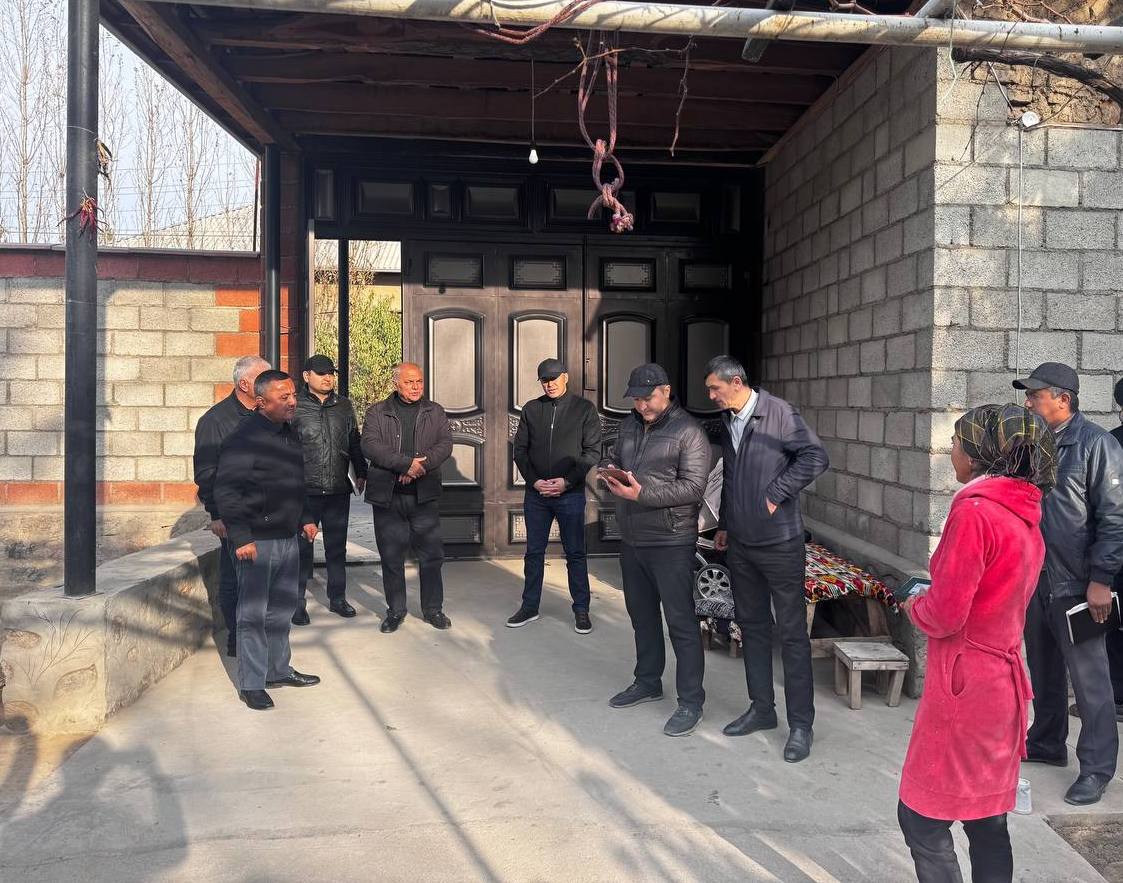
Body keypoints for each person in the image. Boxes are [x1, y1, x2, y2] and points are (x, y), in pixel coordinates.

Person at [898, 404, 1056, 883]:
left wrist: (914, 603)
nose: (951, 449)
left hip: (964, 687)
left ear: (977, 454)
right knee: (987, 819)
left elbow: (946, 614)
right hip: (1001, 686)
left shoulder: (975, 511)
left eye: (956, 441)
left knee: (921, 818)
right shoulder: (1026, 513)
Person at [705, 355, 829, 764]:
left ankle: (801, 725)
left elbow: (815, 457)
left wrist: (777, 493)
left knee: (791, 634)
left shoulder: (779, 414)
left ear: (736, 382)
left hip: (779, 543)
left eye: (715, 388)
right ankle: (762, 709)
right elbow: (732, 476)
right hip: (741, 544)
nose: (711, 395)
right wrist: (725, 523)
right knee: (753, 628)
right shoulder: (729, 419)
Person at [1016, 362, 1123, 806]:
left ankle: (1096, 769)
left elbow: (1115, 517)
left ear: (1063, 399)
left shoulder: (1096, 444)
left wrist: (1101, 580)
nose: (1028, 402)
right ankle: (1046, 742)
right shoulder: (1033, 443)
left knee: (1090, 680)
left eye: (1035, 395)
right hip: (1037, 577)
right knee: (1043, 668)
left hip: (1077, 585)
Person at [601, 363, 710, 737]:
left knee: (681, 623)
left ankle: (691, 701)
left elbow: (693, 488)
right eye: (635, 399)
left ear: (665, 391)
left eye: (647, 398)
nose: (641, 405)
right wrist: (609, 469)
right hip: (633, 539)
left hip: (671, 541)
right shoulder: (629, 426)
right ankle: (648, 681)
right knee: (642, 617)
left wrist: (642, 494)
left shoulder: (689, 432)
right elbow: (617, 459)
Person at [214, 370, 321, 710]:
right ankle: (252, 683)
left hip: (288, 537)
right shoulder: (243, 439)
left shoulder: (289, 433)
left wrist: (306, 517)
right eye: (283, 397)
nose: (292, 402)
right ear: (261, 402)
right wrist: (241, 537)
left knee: (282, 610)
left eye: (293, 395)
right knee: (253, 615)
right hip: (256, 542)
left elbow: (296, 482)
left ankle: (278, 669)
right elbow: (227, 491)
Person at [508, 358, 602, 634]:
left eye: (554, 378)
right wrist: (535, 481)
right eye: (544, 380)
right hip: (537, 494)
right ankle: (529, 607)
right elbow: (520, 451)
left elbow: (592, 452)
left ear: (566, 377)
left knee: (575, 553)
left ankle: (581, 610)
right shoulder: (531, 409)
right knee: (533, 553)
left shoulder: (584, 409)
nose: (549, 384)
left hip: (569, 494)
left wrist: (567, 481)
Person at [361, 362, 453, 634]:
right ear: (396, 384)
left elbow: (445, 444)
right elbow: (370, 446)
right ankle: (395, 610)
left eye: (419, 382)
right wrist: (405, 465)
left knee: (431, 556)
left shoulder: (435, 411)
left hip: (424, 496)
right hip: (388, 497)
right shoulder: (377, 412)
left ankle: (433, 609)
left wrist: (418, 467)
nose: (415, 387)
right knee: (391, 557)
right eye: (409, 382)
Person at [193, 354, 270, 657]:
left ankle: (260, 637)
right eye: (263, 379)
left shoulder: (266, 415)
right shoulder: (215, 421)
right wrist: (216, 514)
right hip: (234, 514)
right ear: (245, 384)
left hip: (266, 514)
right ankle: (237, 638)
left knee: (261, 579)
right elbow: (206, 473)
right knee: (235, 578)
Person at [291, 354, 367, 626]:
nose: (328, 378)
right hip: (305, 491)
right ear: (306, 376)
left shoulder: (343, 405)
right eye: (322, 373)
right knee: (301, 549)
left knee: (336, 548)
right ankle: (297, 604)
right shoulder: (295, 406)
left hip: (337, 490)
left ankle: (338, 598)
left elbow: (354, 440)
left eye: (331, 373)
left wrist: (361, 471)